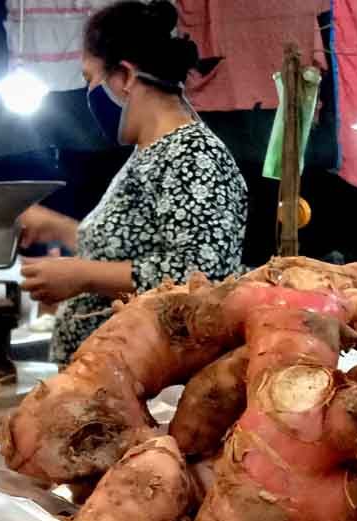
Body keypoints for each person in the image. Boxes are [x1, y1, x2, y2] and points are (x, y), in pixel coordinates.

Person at [19, 0, 248, 365]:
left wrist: (81, 275)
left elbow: (203, 275)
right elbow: (136, 249)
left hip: (155, 388)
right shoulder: (150, 154)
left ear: (125, 77)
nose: (88, 92)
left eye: (89, 78)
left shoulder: (192, 155)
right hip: (109, 379)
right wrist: (58, 228)